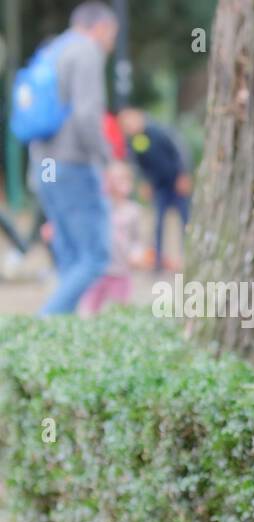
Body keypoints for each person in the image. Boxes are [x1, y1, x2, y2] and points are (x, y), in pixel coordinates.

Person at [28, 2, 118, 316]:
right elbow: (86, 114)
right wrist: (109, 160)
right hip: (71, 164)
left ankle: (62, 332)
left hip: (44, 164)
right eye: (112, 35)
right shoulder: (86, 51)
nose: (111, 44)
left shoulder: (51, 50)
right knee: (94, 257)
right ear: (102, 27)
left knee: (68, 255)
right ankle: (45, 323)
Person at [116, 108, 192, 272]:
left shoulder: (158, 130)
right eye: (125, 126)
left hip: (176, 180)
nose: (129, 127)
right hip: (159, 185)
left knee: (185, 220)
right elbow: (139, 163)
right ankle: (157, 261)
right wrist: (145, 182)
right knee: (158, 223)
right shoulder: (136, 141)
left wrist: (183, 173)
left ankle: (188, 257)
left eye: (130, 123)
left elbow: (179, 150)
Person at [79, 161, 144, 314]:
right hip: (97, 272)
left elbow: (137, 239)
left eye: (122, 179)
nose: (117, 185)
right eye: (113, 180)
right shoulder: (97, 209)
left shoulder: (133, 211)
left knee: (119, 311)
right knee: (89, 311)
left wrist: (137, 254)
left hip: (121, 271)